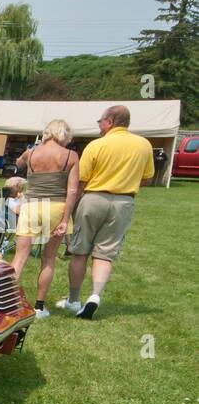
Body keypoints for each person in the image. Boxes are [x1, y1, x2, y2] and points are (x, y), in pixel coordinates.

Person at [57, 105, 154, 320]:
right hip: (124, 202)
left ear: (110, 121)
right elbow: (147, 178)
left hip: (93, 198)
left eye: (100, 121)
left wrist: (70, 207)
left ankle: (73, 300)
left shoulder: (97, 145)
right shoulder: (144, 145)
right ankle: (95, 296)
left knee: (80, 250)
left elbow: (81, 180)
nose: (99, 125)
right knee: (104, 254)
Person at [12, 119, 80, 318]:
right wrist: (66, 219)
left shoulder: (32, 152)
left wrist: (26, 156)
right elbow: (73, 190)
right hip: (57, 207)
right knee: (49, 258)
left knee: (19, 257)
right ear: (63, 134)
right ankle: (39, 307)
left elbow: (18, 163)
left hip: (32, 206)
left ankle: (5, 303)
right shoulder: (70, 156)